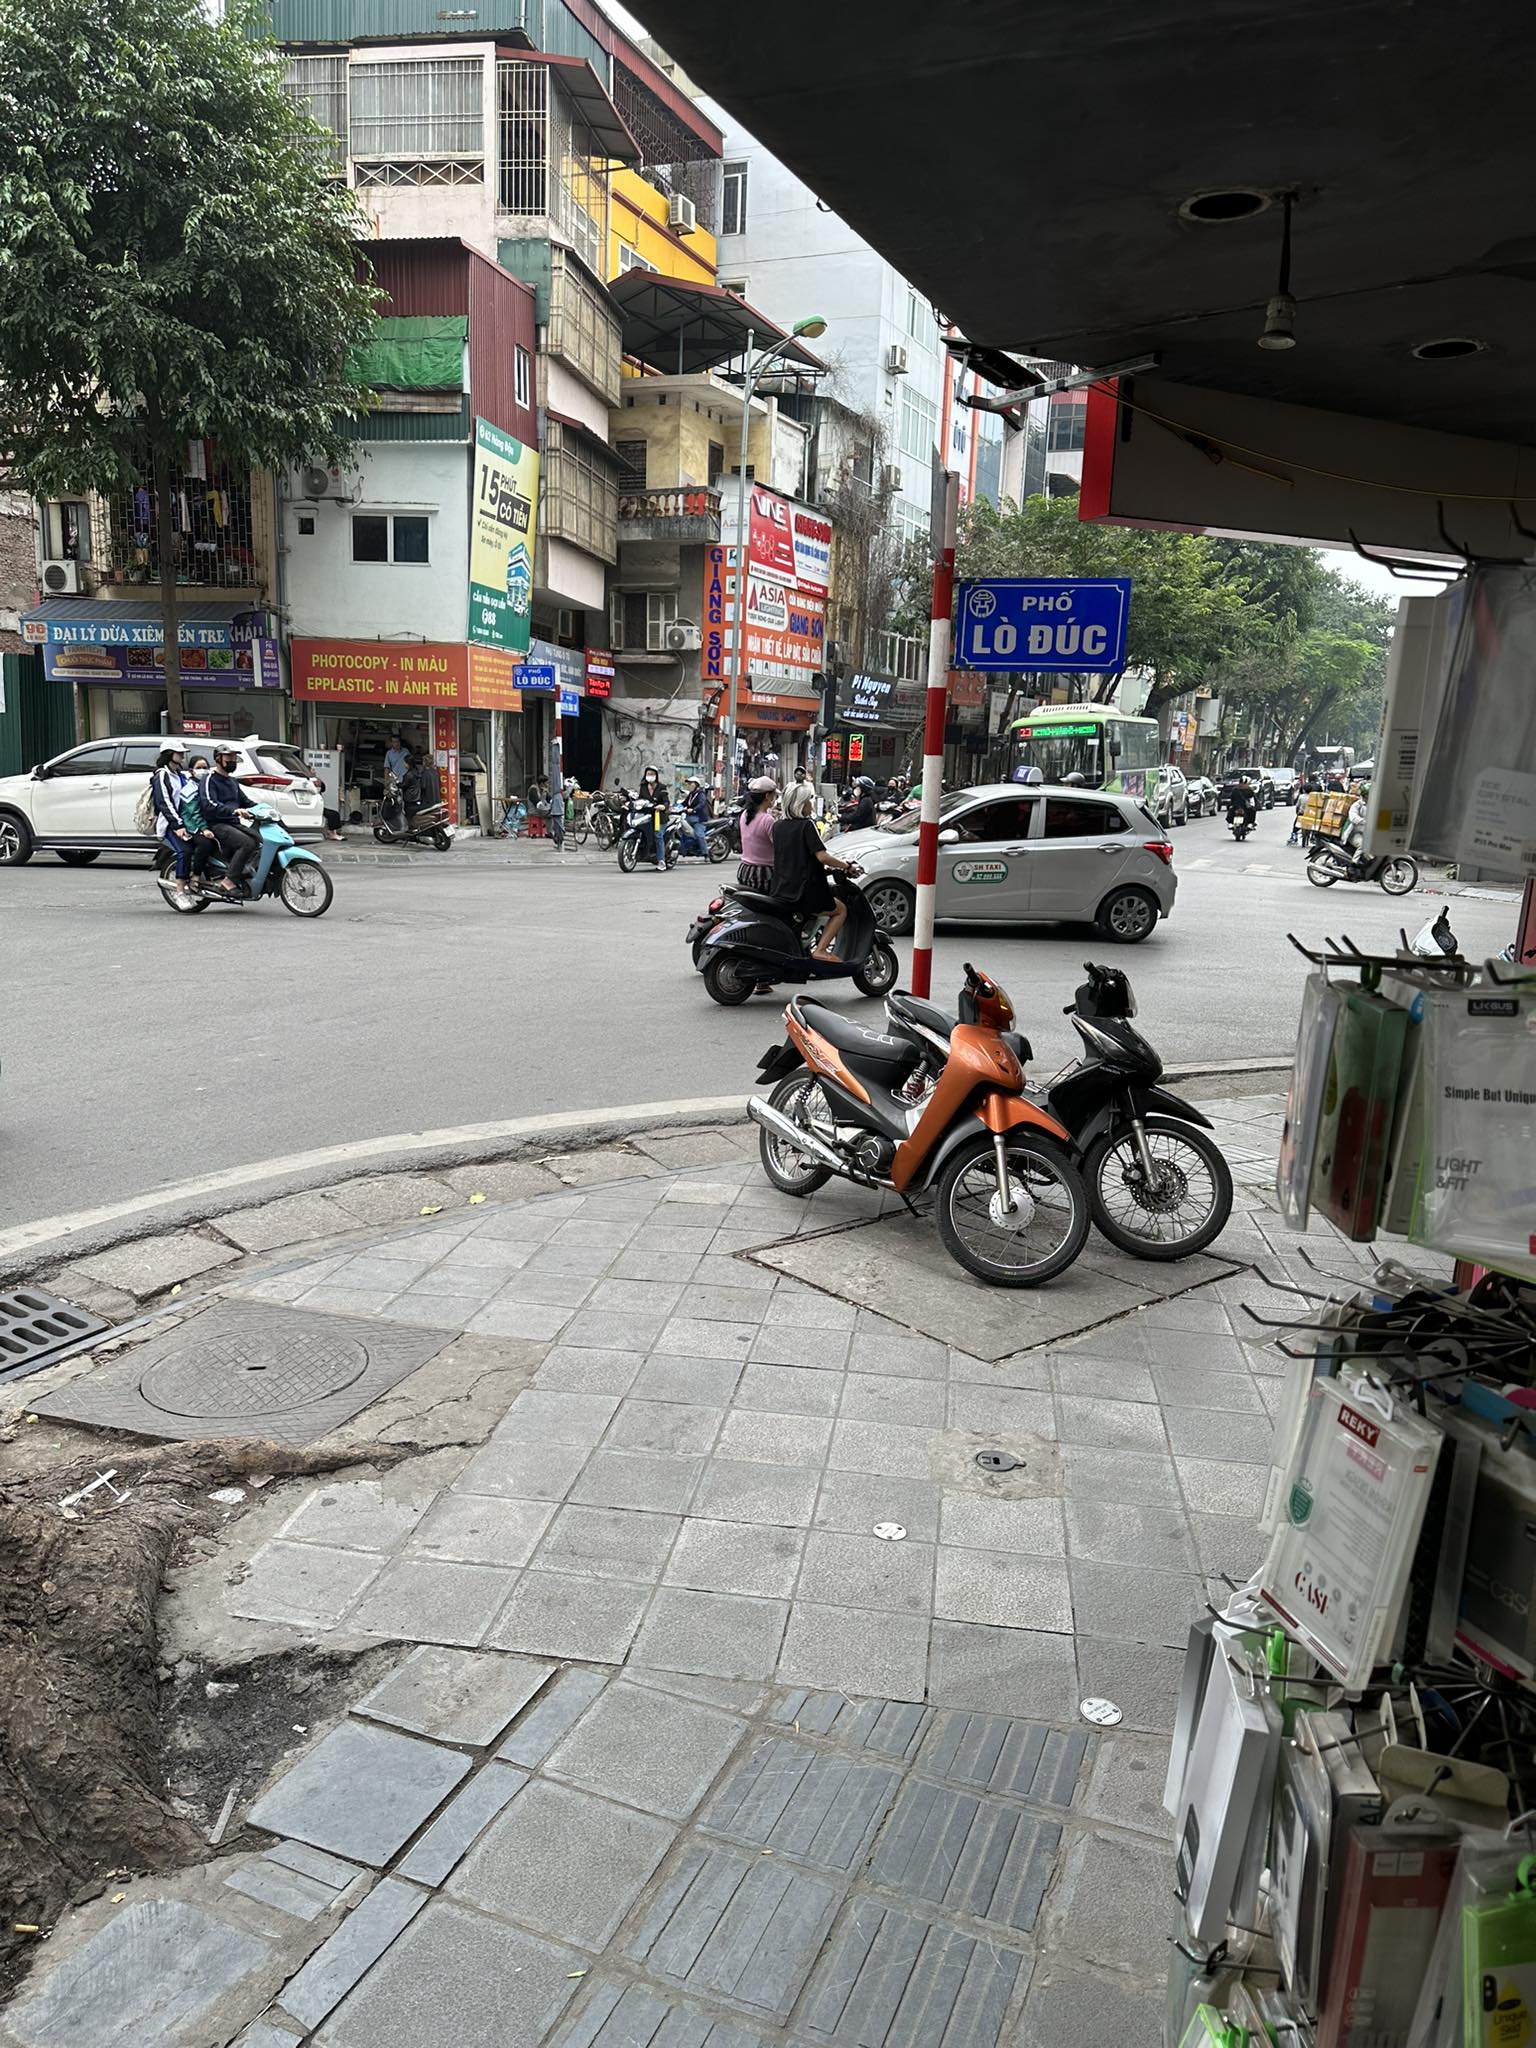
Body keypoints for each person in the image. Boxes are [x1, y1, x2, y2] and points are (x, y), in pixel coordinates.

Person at [773, 779, 860, 962]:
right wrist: (847, 866)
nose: (811, 803)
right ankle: (821, 950)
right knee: (840, 910)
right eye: (809, 799)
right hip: (805, 891)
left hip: (782, 888)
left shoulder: (778, 826)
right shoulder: (806, 826)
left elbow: (796, 856)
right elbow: (823, 857)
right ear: (800, 804)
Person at [198, 748, 261, 898]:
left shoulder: (232, 781)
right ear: (218, 759)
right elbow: (209, 803)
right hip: (217, 823)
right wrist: (233, 811)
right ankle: (228, 880)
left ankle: (243, 873)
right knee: (247, 843)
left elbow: (246, 801)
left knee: (259, 839)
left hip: (233, 823)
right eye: (228, 757)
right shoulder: (209, 779)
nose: (232, 760)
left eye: (234, 757)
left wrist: (263, 809)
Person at [151, 747, 196, 903]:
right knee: (185, 850)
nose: (182, 755)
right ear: (170, 754)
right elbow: (164, 802)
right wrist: (177, 826)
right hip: (170, 824)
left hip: (188, 822)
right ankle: (179, 892)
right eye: (179, 752)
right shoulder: (162, 775)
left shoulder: (180, 774)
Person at [180, 757, 220, 886]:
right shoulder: (190, 788)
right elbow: (194, 812)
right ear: (191, 771)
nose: (202, 771)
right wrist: (204, 829)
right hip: (193, 825)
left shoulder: (209, 785)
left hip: (208, 822)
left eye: (205, 768)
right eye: (199, 768)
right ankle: (196, 875)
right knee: (206, 844)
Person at [736, 775, 778, 891]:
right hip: (763, 873)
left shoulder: (745, 814)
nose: (774, 799)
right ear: (767, 796)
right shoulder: (767, 820)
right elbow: (780, 847)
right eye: (774, 795)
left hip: (745, 870)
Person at [635, 765, 668, 870]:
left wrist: (663, 806)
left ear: (656, 776)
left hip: (659, 817)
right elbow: (640, 799)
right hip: (646, 816)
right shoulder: (643, 786)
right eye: (648, 774)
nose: (650, 776)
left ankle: (661, 860)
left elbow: (666, 801)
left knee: (658, 835)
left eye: (652, 774)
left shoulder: (661, 787)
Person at [679, 775, 711, 858]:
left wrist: (693, 809)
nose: (689, 785)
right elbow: (684, 803)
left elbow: (701, 804)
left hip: (699, 819)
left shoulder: (701, 794)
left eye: (691, 784)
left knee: (699, 834)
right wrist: (675, 807)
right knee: (681, 831)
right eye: (688, 784)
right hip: (689, 818)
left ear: (696, 785)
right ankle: (683, 851)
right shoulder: (691, 795)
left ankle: (705, 853)